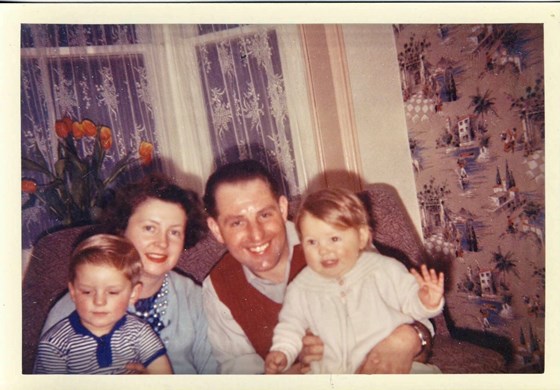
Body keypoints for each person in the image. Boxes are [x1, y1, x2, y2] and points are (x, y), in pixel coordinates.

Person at [202, 159, 434, 374]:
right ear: (215, 229)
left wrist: (406, 339)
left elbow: (419, 324)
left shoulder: (337, 241)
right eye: (237, 222)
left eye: (264, 215)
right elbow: (243, 376)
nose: (256, 234)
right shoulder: (218, 287)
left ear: (282, 209)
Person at [41, 174, 218, 374]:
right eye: (150, 228)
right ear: (122, 230)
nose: (162, 243)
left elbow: (215, 377)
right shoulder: (81, 301)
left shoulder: (194, 297)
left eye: (174, 232)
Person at [264, 189, 444, 374]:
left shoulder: (384, 269)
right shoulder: (300, 287)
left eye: (334, 239)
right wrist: (282, 352)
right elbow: (290, 326)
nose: (324, 250)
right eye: (312, 242)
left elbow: (411, 305)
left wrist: (426, 301)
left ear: (362, 237)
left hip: (391, 367)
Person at [34, 234, 172, 374]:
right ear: (73, 292)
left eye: (112, 292)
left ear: (133, 294)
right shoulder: (54, 345)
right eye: (87, 292)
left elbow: (165, 378)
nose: (99, 301)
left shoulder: (140, 332)